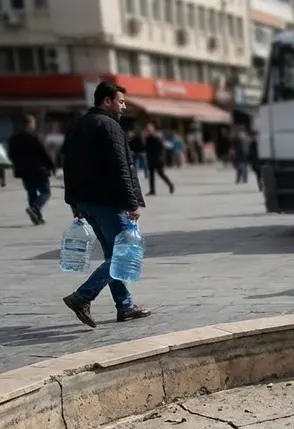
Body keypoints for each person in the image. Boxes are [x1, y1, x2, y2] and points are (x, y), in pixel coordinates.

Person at [60, 81, 151, 328]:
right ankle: (82, 296)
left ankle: (125, 306)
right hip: (109, 202)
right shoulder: (109, 126)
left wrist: (74, 201)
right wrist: (132, 203)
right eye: (120, 101)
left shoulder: (79, 125)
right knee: (127, 253)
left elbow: (67, 165)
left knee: (114, 254)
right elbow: (120, 166)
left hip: (87, 202)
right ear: (107, 101)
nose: (123, 106)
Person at [7, 114, 55, 225]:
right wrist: (51, 166)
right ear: (29, 124)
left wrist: (18, 166)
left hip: (23, 170)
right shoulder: (33, 137)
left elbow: (11, 155)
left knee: (31, 192)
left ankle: (37, 217)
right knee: (46, 192)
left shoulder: (13, 138)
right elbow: (43, 153)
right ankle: (35, 208)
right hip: (37, 169)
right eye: (33, 123)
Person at [143, 123, 174, 196]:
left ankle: (170, 185)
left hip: (158, 159)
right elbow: (145, 148)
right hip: (150, 159)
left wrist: (160, 157)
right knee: (151, 175)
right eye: (147, 130)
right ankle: (152, 190)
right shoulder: (147, 139)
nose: (148, 131)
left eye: (149, 130)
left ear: (153, 130)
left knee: (161, 174)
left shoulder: (157, 138)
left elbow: (161, 148)